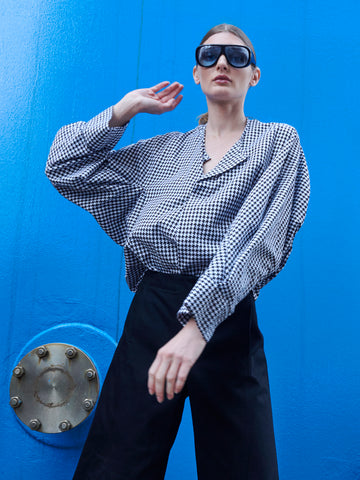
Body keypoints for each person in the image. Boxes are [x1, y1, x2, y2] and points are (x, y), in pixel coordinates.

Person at [46, 23, 310, 480]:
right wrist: (122, 112)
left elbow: (257, 241)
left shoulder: (277, 143)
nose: (223, 63)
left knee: (244, 468)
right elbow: (65, 167)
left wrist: (198, 324)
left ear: (255, 75)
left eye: (237, 56)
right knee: (116, 463)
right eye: (210, 56)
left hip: (228, 317)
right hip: (153, 312)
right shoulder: (163, 152)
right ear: (196, 72)